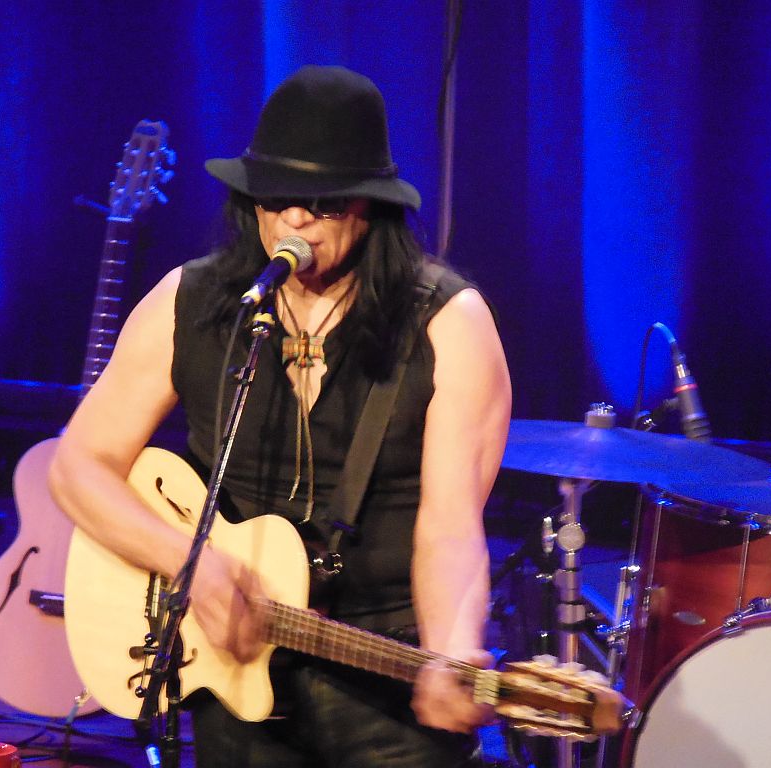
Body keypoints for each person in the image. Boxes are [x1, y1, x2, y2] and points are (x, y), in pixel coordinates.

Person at [48, 65, 511, 767]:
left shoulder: (448, 323)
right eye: (276, 198)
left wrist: (452, 651)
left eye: (322, 204)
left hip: (383, 676)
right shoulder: (192, 301)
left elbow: (450, 526)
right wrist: (192, 566)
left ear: (369, 206)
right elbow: (78, 467)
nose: (294, 220)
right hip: (232, 672)